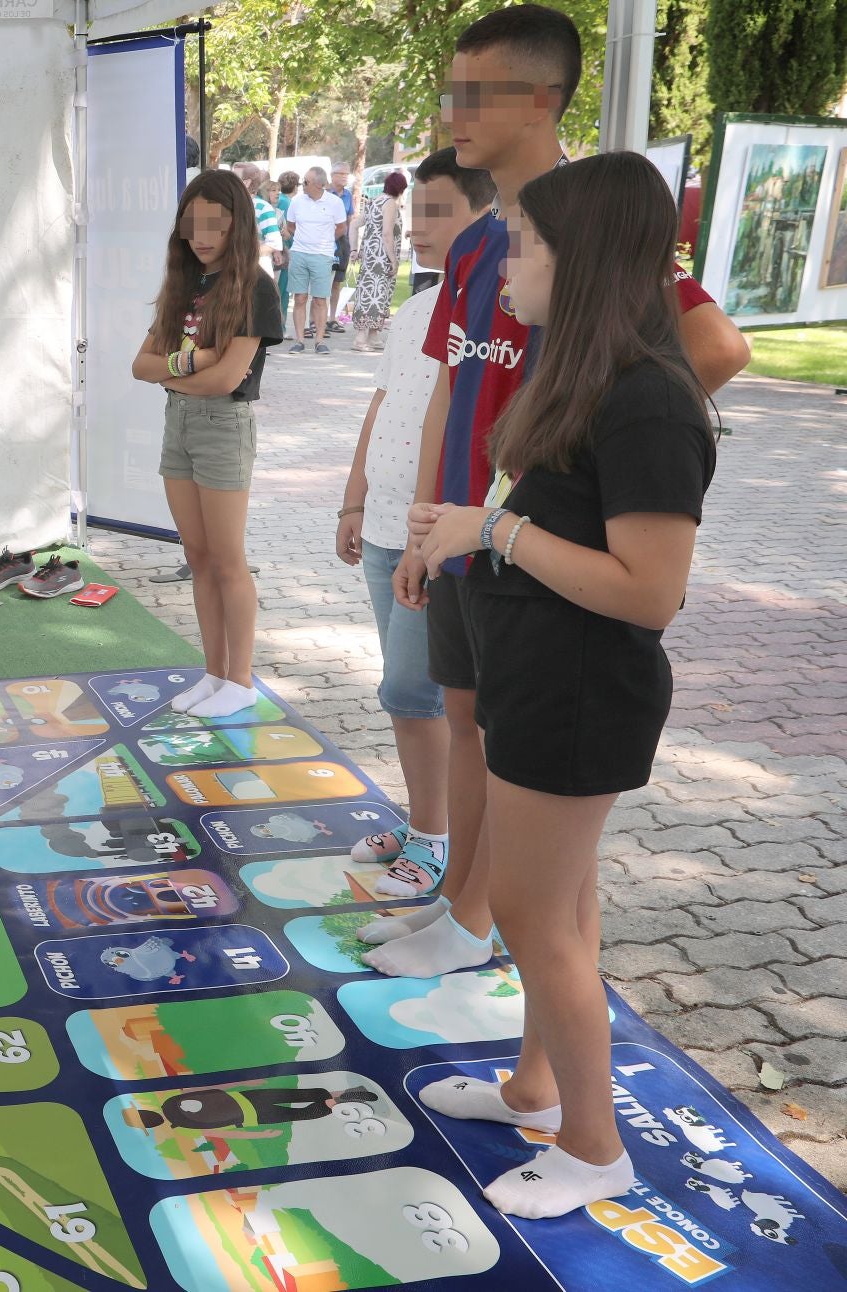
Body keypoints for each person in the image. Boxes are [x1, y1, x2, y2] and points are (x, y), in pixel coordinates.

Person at [368, 4, 750, 982]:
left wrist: (585, 459)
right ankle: (461, 911)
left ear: (541, 100)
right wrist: (425, 527)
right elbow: (449, 387)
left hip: (536, 556)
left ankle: (488, 938)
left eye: (477, 91)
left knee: (518, 754)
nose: (454, 108)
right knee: (463, 721)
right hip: (466, 532)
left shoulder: (587, 222)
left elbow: (710, 347)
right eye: (451, 87)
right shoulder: (470, 241)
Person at [409, 151, 717, 1221]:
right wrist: (471, 535)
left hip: (579, 692)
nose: (505, 266)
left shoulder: (650, 404)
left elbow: (648, 591)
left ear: (580, 261)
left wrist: (494, 529)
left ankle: (594, 1145)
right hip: (535, 674)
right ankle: (535, 1087)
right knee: (560, 909)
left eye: (528, 246)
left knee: (533, 912)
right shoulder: (581, 377)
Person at [335, 149, 494, 907]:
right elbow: (381, 406)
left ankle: (436, 837)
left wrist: (432, 528)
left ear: (483, 215)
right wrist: (353, 500)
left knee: (410, 690)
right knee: (411, 698)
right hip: (387, 526)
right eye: (413, 212)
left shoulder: (496, 304)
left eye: (439, 211)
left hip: (437, 533)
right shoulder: (414, 308)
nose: (419, 228)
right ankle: (427, 819)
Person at [131, 171, 285, 719]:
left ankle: (240, 679)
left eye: (214, 223)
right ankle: (214, 672)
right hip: (180, 424)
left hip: (223, 426)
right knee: (197, 558)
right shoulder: (184, 283)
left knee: (227, 560)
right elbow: (140, 365)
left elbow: (228, 380)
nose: (201, 235)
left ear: (236, 223)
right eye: (191, 224)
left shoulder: (254, 285)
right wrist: (190, 362)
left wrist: (172, 373)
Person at [283, 167, 347, 355]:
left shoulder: (334, 203)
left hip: (322, 255)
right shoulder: (297, 202)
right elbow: (291, 225)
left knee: (320, 299)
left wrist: (325, 242)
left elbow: (341, 228)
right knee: (300, 298)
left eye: (306, 182)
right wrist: (304, 239)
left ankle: (320, 340)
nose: (302, 185)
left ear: (319, 185)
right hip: (299, 253)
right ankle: (300, 339)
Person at [350, 169, 407, 350]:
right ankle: (360, 338)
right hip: (382, 257)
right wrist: (393, 260)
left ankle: (373, 336)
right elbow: (387, 233)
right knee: (374, 295)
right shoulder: (390, 203)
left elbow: (354, 225)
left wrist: (354, 249)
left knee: (374, 294)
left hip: (369, 257)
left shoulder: (375, 201)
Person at [236, 162, 285, 277]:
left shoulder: (263, 208)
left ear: (247, 182)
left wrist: (244, 257)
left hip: (257, 274)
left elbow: (274, 243)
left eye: (234, 178)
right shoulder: (231, 206)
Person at [327, 165, 356, 334]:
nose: (345, 177)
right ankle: (316, 319)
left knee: (337, 281)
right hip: (326, 240)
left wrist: (351, 245)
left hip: (342, 241)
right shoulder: (325, 193)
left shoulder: (348, 195)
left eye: (347, 174)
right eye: (342, 174)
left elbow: (350, 218)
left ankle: (333, 317)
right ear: (333, 175)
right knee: (323, 281)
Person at [274, 171, 298, 324]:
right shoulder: (288, 203)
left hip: (280, 248)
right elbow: (290, 228)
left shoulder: (280, 200)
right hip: (284, 249)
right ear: (295, 186)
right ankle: (280, 325)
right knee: (282, 291)